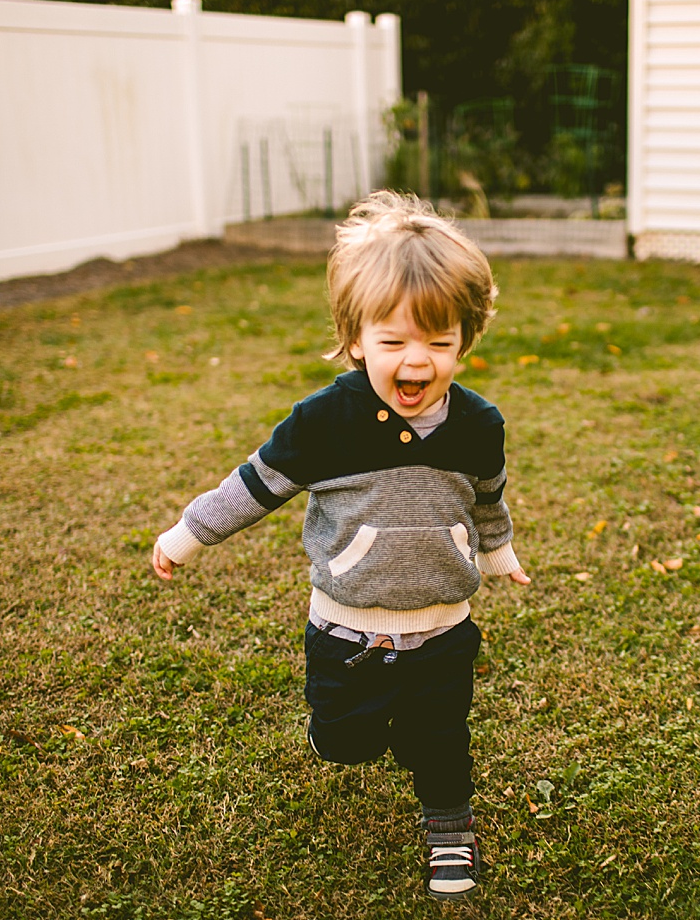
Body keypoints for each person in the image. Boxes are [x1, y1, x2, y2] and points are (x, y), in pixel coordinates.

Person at [152, 191, 529, 901]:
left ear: (465, 340)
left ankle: (449, 828)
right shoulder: (325, 422)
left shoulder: (479, 424)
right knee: (345, 742)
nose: (417, 360)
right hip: (345, 627)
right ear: (356, 339)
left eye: (439, 342)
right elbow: (256, 485)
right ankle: (351, 726)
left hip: (443, 628)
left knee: (440, 738)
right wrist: (189, 532)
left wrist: (497, 551)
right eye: (393, 342)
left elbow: (488, 496)